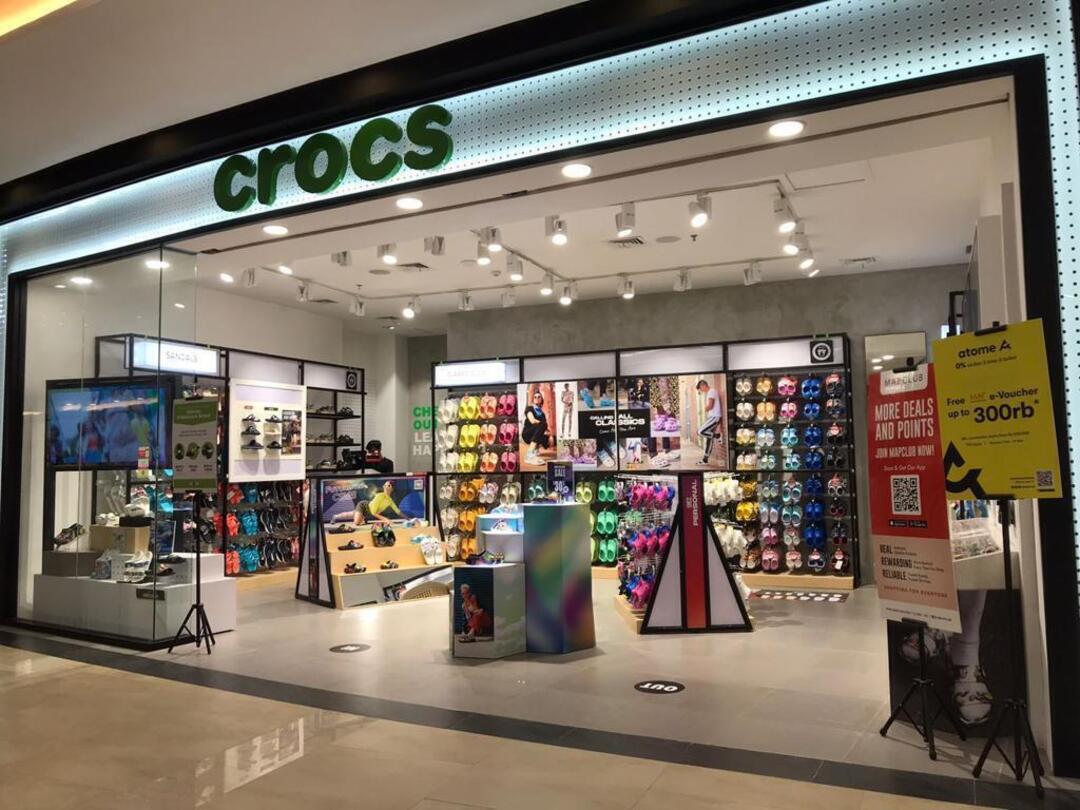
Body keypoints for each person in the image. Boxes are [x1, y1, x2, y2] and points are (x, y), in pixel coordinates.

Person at [696, 378, 722, 465]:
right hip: (713, 417)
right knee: (709, 438)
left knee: (700, 431)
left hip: (714, 417)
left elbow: (710, 406)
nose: (702, 391)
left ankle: (717, 436)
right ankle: (705, 459)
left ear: (703, 385)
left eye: (701, 389)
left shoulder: (711, 391)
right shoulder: (711, 392)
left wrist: (705, 408)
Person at [521, 389, 551, 464]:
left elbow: (544, 429)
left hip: (535, 433)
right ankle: (529, 455)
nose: (537, 398)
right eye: (535, 397)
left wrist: (549, 434)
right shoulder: (529, 408)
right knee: (543, 424)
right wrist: (543, 425)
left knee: (550, 438)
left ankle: (535, 449)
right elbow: (532, 420)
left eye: (539, 397)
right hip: (527, 433)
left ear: (541, 399)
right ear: (533, 400)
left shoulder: (542, 414)